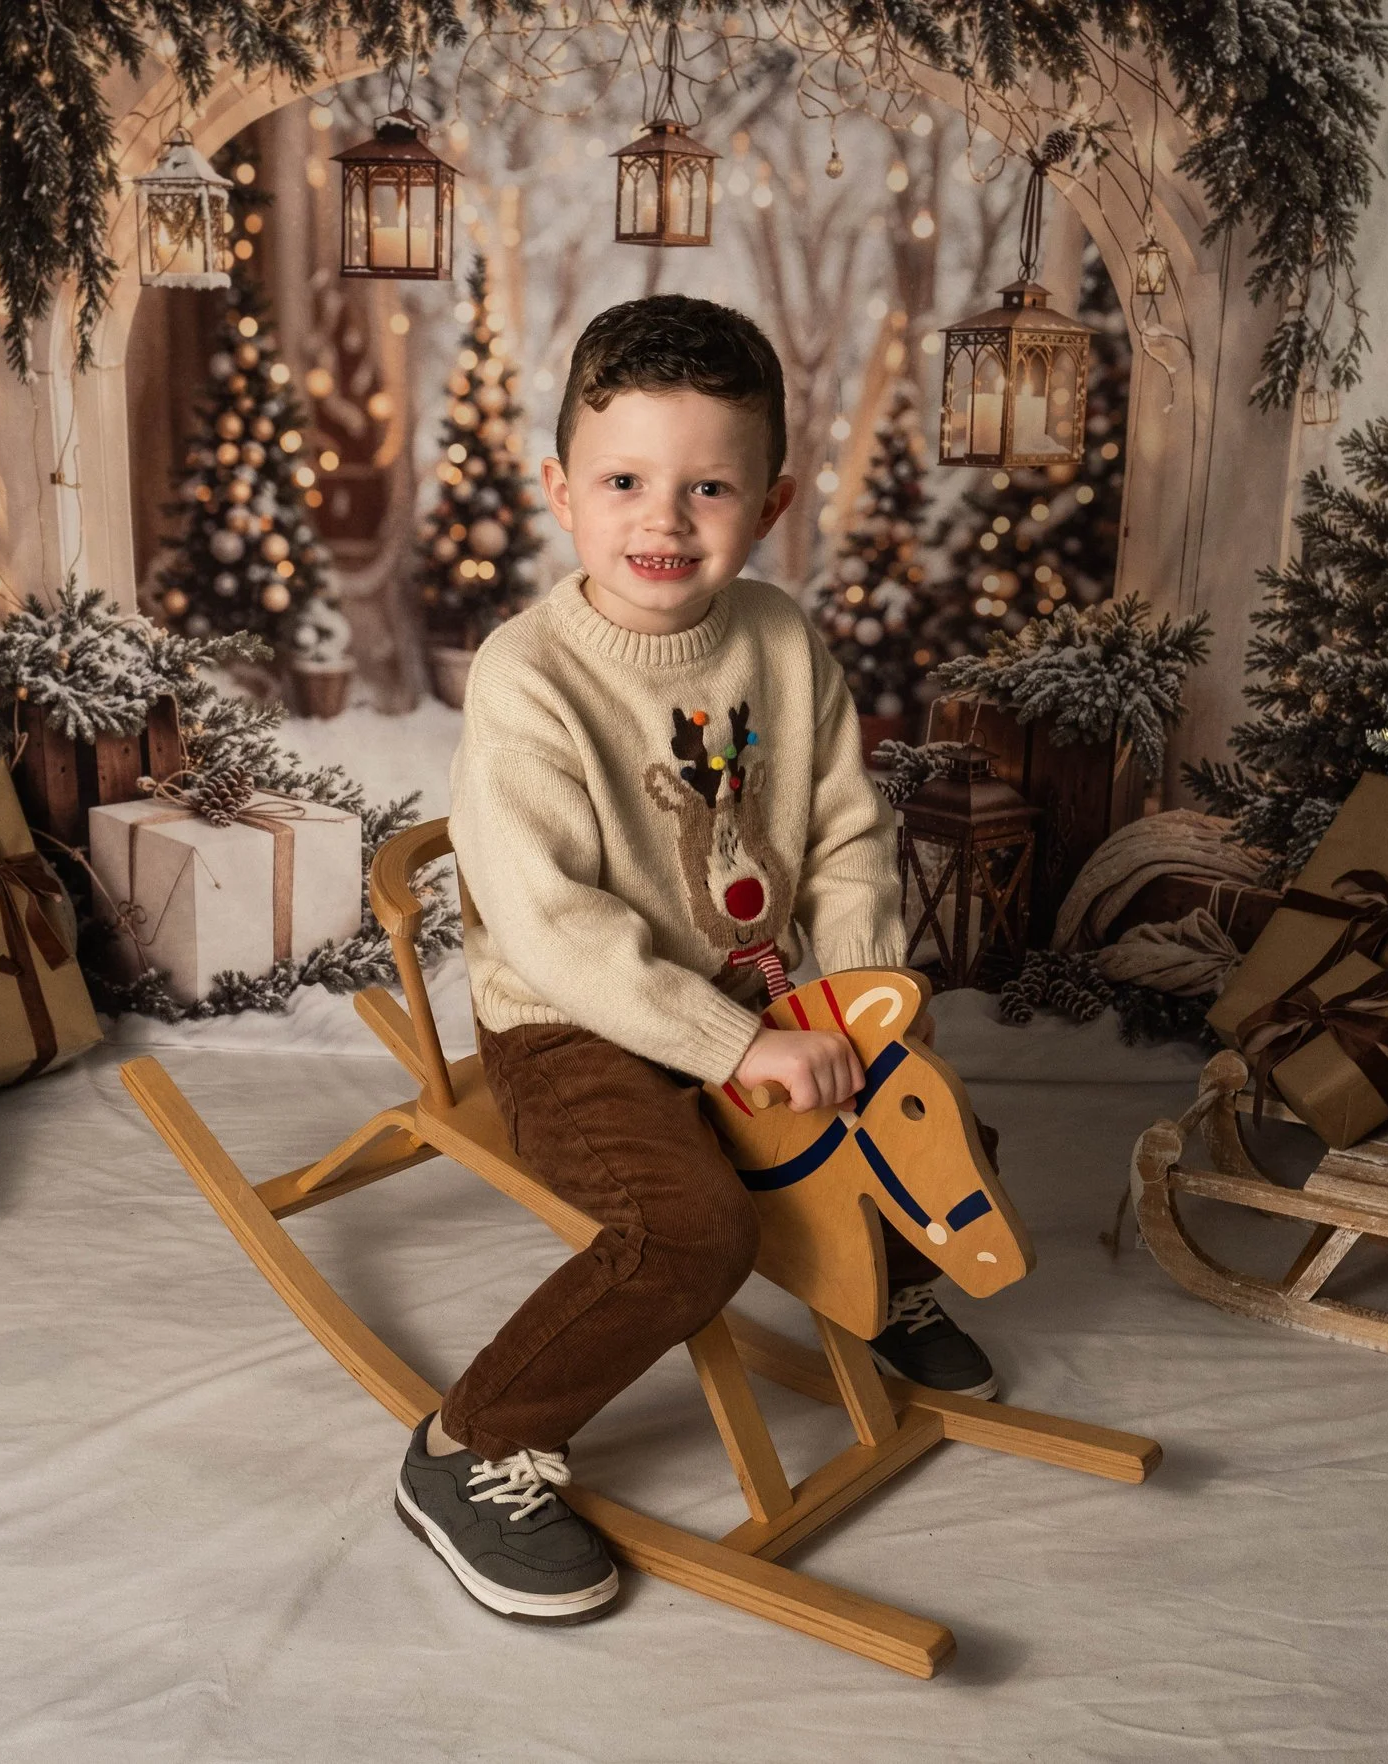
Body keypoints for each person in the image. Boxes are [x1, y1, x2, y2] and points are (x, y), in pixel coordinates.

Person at [397, 294, 996, 1627]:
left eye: (707, 486)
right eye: (624, 482)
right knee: (694, 1227)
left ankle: (878, 1287)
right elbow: (554, 927)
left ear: (770, 502)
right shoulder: (528, 675)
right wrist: (739, 1047)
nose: (662, 522)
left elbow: (846, 827)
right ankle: (471, 1446)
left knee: (930, 1124)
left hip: (757, 989)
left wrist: (855, 999)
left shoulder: (779, 640)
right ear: (561, 489)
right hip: (574, 1022)